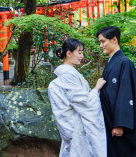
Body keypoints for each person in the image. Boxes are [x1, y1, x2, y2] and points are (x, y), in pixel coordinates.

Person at [48, 38, 107, 157]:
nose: (82, 56)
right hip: (76, 126)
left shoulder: (69, 73)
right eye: (79, 52)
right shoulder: (68, 75)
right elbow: (85, 102)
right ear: (69, 53)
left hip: (72, 125)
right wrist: (96, 88)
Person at [97, 26, 136, 157]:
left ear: (114, 39)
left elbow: (126, 94)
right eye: (100, 42)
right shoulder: (112, 62)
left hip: (119, 125)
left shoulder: (125, 63)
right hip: (109, 119)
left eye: (103, 41)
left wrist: (120, 124)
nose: (101, 45)